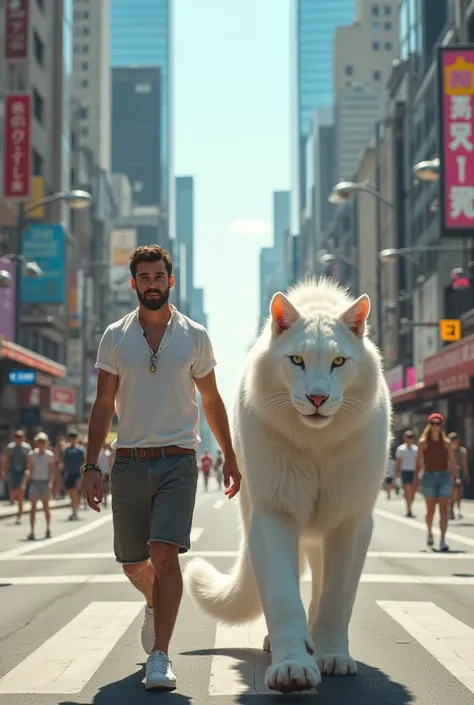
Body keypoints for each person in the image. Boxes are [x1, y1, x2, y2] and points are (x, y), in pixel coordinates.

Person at [80, 245, 241, 692]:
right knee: (134, 564)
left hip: (178, 460)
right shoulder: (115, 335)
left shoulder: (195, 335)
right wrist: (91, 463)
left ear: (171, 281)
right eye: (144, 278)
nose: (151, 283)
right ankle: (155, 601)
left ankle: (160, 655)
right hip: (128, 461)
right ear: (134, 284)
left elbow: (211, 400)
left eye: (158, 276)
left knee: (164, 555)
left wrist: (229, 454)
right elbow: (103, 404)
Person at [414, 413, 457, 551]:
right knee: (430, 509)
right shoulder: (423, 443)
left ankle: (443, 539)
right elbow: (418, 463)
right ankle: (430, 532)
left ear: (441, 426)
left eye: (438, 423)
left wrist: (456, 478)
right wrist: (416, 479)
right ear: (429, 425)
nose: (435, 426)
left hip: (444, 476)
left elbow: (452, 462)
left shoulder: (447, 443)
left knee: (444, 509)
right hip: (429, 476)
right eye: (432, 423)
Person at [22, 432, 55, 540]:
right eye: (39, 442)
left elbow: (52, 471)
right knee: (33, 508)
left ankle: (48, 528)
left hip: (45, 482)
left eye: (42, 442)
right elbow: (29, 469)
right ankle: (31, 531)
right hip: (35, 483)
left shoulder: (49, 455)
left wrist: (50, 483)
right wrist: (24, 482)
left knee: (46, 508)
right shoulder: (32, 454)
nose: (40, 444)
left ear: (46, 443)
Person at [0, 430, 31, 524]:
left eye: (20, 437)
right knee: (13, 492)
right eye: (17, 437)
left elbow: (29, 460)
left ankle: (20, 514)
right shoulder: (10, 447)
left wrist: (29, 471)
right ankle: (16, 504)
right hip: (12, 472)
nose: (19, 439)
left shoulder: (26, 448)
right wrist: (3, 471)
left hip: (22, 472)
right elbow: (6, 459)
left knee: (21, 491)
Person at [61, 430, 86, 521]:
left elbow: (84, 462)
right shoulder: (66, 450)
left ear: (77, 439)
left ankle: (74, 512)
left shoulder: (81, 450)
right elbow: (64, 462)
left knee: (75, 492)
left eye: (74, 438)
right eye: (71, 438)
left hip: (78, 474)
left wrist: (83, 476)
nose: (72, 440)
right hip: (69, 474)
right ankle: (75, 508)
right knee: (71, 493)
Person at [395, 430, 418, 517]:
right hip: (405, 471)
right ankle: (408, 509)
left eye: (411, 437)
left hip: (413, 472)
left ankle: (409, 504)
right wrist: (397, 472)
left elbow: (418, 462)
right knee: (407, 490)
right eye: (408, 437)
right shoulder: (401, 449)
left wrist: (418, 473)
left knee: (413, 492)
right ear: (405, 438)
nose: (409, 439)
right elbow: (398, 462)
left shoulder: (416, 449)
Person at [448, 432, 470, 520]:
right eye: (452, 440)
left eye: (455, 440)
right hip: (449, 473)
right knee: (452, 492)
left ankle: (458, 509)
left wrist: (466, 474)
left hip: (458, 472)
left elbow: (464, 464)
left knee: (459, 491)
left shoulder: (462, 451)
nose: (454, 442)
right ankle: (451, 509)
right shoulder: (448, 451)